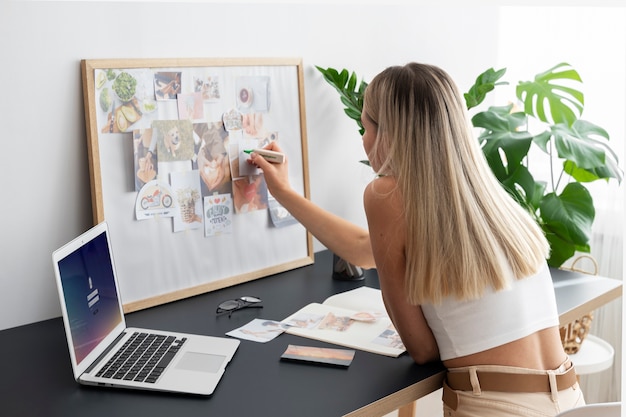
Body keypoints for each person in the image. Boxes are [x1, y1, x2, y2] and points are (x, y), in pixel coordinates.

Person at [248, 62, 585, 416]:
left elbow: (421, 350)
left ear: (389, 134)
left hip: (496, 407)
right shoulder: (490, 202)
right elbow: (364, 251)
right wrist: (283, 192)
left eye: (366, 127)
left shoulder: (385, 194)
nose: (364, 140)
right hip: (570, 399)